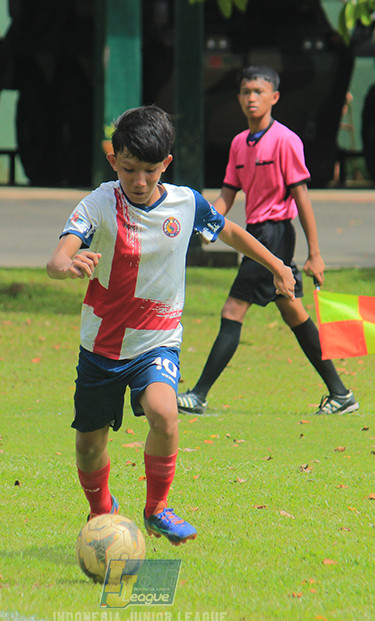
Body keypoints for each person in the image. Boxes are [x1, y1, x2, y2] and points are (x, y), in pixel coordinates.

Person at [47, 105, 295, 544]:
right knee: (88, 445)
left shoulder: (185, 202)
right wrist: (66, 264)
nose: (139, 182)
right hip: (102, 346)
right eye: (128, 170)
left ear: (166, 163)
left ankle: (157, 507)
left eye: (148, 171)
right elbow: (57, 257)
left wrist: (276, 263)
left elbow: (229, 232)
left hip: (156, 342)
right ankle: (102, 510)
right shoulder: (99, 203)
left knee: (164, 412)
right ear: (113, 162)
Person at [176, 65, 358, 417]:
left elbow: (302, 199)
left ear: (274, 97)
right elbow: (228, 196)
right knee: (294, 313)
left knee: (233, 310)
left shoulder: (286, 140)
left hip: (274, 234)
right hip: (257, 234)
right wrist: (204, 223)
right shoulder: (238, 144)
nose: (251, 98)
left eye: (259, 92)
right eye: (246, 92)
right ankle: (341, 393)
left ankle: (198, 395)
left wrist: (315, 254)